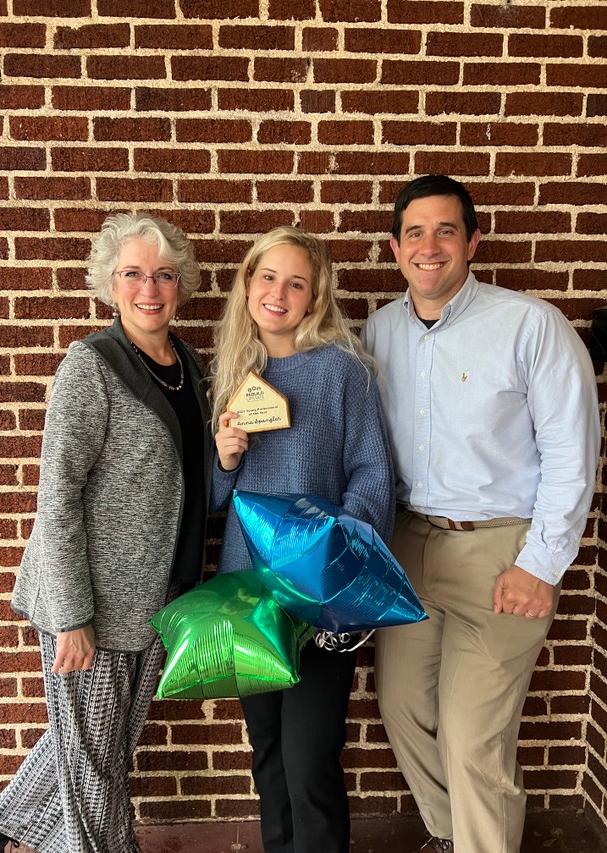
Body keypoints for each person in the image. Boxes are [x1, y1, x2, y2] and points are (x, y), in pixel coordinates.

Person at [361, 175, 601, 853]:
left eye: (445, 231)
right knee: (402, 710)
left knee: (473, 737)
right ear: (394, 247)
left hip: (501, 550)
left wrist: (541, 563)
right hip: (410, 544)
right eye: (414, 232)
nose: (429, 247)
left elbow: (572, 451)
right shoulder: (379, 329)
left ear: (472, 241)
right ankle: (450, 834)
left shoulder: (530, 324)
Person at [0, 213, 213, 853]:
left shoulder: (187, 364)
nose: (149, 288)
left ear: (181, 284)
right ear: (109, 283)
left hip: (157, 596)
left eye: (163, 274)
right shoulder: (91, 365)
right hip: (92, 604)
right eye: (132, 273)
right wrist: (72, 614)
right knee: (95, 767)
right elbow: (57, 495)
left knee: (96, 744)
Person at [210, 226, 395, 853]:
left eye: (297, 282)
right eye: (268, 277)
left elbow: (373, 472)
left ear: (315, 297)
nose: (279, 292)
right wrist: (225, 460)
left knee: (310, 760)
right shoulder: (232, 373)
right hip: (247, 595)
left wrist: (335, 557)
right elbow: (210, 502)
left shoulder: (343, 371)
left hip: (320, 595)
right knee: (268, 758)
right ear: (247, 284)